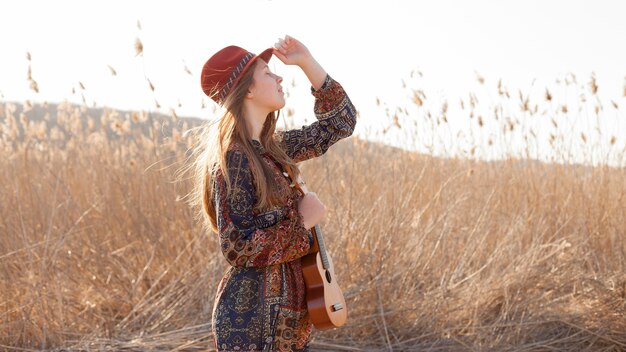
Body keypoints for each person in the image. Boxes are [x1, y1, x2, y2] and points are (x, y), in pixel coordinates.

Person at [196, 35, 357, 351]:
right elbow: (237, 246)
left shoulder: (274, 150)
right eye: (267, 73)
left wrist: (308, 62)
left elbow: (341, 123)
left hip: (291, 323)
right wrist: (302, 221)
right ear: (249, 90)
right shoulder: (235, 158)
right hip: (252, 323)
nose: (280, 76)